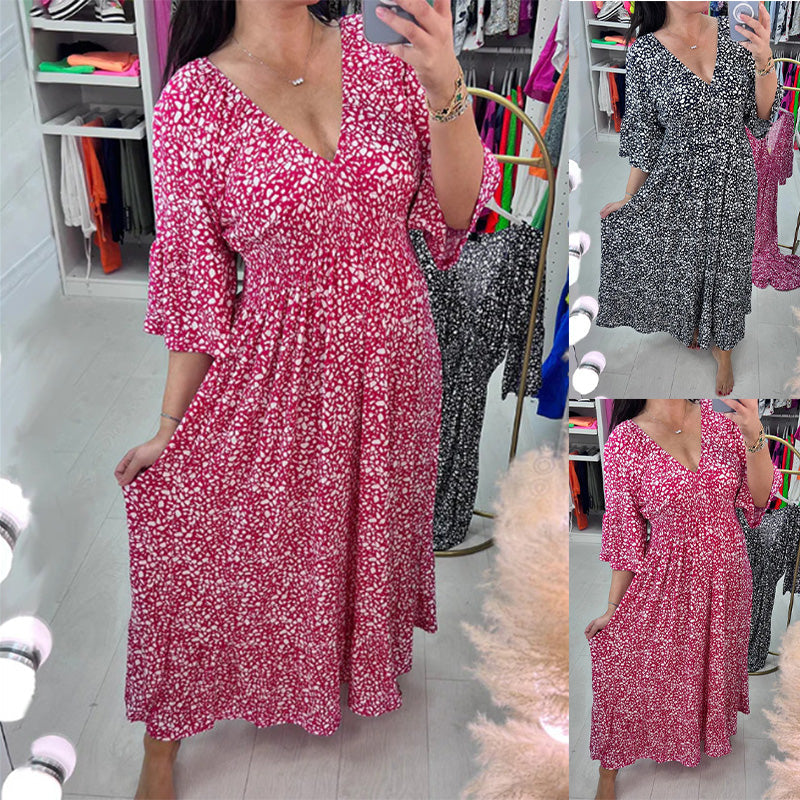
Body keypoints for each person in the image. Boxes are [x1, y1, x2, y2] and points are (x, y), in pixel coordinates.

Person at [113, 1, 501, 797]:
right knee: (204, 536)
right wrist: (170, 427)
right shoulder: (193, 102)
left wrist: (446, 87)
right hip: (278, 363)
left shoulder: (385, 57)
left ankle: (342, 666)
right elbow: (196, 290)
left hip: (396, 364)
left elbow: (458, 214)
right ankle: (164, 738)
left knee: (361, 530)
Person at [585, 398, 781, 800]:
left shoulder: (724, 425)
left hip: (728, 578)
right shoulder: (624, 441)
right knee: (628, 665)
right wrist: (612, 609)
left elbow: (761, 498)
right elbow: (626, 539)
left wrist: (754, 432)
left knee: (710, 662)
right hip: (668, 576)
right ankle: (610, 766)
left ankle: (701, 732)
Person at [597, 2, 781, 397]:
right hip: (677, 184)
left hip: (734, 181)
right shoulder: (645, 54)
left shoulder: (734, 36)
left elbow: (761, 120)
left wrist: (764, 58)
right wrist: (629, 198)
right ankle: (693, 322)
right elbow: (645, 140)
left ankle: (724, 347)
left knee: (729, 269)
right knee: (687, 261)